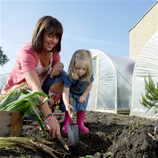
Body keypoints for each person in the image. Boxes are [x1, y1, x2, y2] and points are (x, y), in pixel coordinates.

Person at [1, 15, 67, 140]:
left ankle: (46, 113)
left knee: (62, 75)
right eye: (50, 36)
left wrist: (60, 64)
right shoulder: (27, 51)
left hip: (39, 90)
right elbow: (34, 86)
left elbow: (57, 70)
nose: (54, 41)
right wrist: (49, 117)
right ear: (40, 34)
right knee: (30, 97)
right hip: (22, 91)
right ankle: (43, 116)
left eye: (57, 37)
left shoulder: (53, 51)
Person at [61, 49, 94, 133]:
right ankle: (66, 125)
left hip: (82, 94)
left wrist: (84, 96)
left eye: (84, 69)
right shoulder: (70, 76)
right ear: (73, 65)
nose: (80, 71)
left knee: (81, 107)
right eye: (77, 68)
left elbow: (90, 85)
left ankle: (80, 124)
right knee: (70, 107)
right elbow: (65, 90)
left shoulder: (89, 75)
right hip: (71, 94)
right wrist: (66, 103)